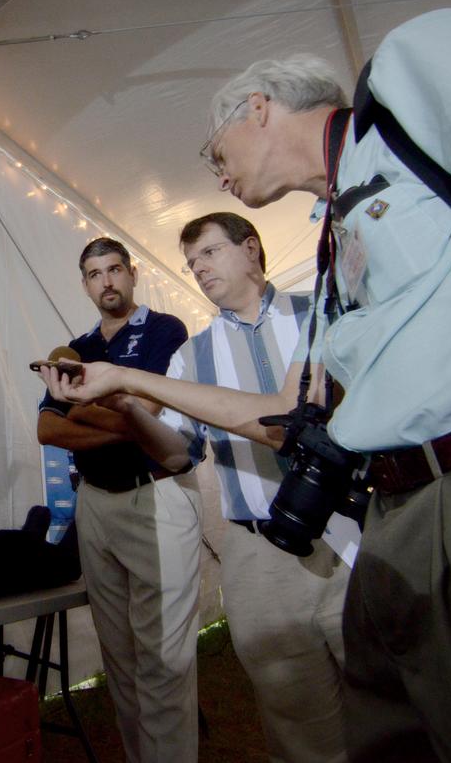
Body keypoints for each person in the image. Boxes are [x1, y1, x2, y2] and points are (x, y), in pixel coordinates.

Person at [44, 9, 451, 761]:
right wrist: (124, 378)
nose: (213, 169)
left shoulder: (408, 68)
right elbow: (282, 419)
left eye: (211, 147)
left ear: (257, 108)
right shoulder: (333, 241)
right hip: (407, 527)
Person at [87, 212, 350, 763]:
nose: (198, 269)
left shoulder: (322, 314)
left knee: (395, 701)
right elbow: (179, 453)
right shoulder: (192, 356)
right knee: (297, 725)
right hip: (259, 553)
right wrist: (129, 410)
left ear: (251, 248)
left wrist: (131, 381)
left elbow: (291, 421)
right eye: (190, 263)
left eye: (208, 253)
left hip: (354, 532)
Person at [36, 237, 199, 763]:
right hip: (97, 504)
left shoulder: (163, 329)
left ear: (132, 274)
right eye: (93, 273)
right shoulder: (76, 348)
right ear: (84, 284)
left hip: (154, 494)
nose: (105, 281)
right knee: (119, 658)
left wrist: (89, 414)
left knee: (163, 660)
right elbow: (46, 429)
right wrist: (123, 419)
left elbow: (146, 409)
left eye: (114, 270)